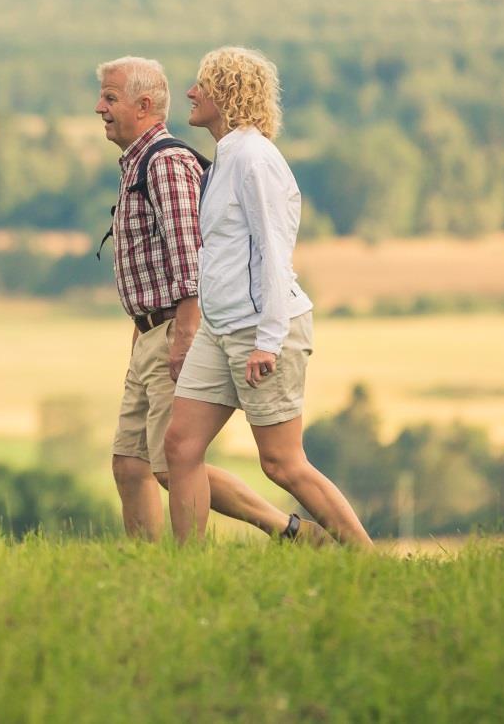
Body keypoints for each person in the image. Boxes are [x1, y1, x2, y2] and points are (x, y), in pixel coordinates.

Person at [96, 55, 329, 544]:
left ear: (143, 105)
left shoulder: (166, 164)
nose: (100, 107)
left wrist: (180, 335)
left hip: (176, 331)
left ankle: (288, 530)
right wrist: (140, 332)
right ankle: (147, 569)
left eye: (110, 98)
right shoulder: (142, 163)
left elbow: (190, 261)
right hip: (150, 332)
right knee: (130, 462)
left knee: (173, 461)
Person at [164, 46, 373, 547]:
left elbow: (275, 253)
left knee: (282, 462)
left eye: (202, 85)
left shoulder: (255, 159)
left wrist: (269, 340)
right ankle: (184, 568)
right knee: (179, 447)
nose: (190, 94)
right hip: (220, 329)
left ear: (228, 94)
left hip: (261, 330)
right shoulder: (227, 157)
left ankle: (368, 558)